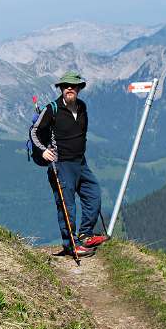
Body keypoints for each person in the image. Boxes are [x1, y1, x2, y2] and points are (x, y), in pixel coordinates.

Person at [30, 71, 108, 257]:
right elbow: (34, 131)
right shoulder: (52, 109)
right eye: (65, 86)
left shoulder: (82, 107)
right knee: (67, 205)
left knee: (93, 194)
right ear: (61, 89)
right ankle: (71, 244)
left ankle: (86, 235)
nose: (69, 88)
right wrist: (43, 150)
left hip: (80, 162)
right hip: (61, 165)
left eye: (73, 85)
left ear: (79, 88)